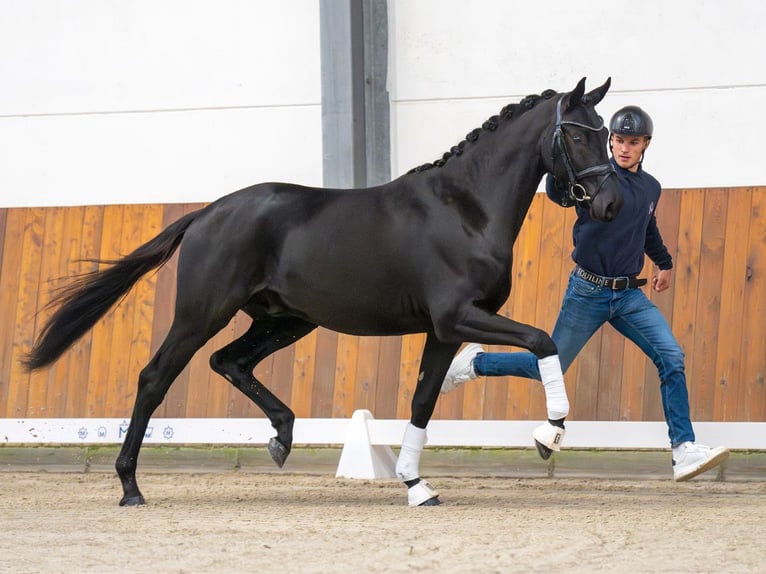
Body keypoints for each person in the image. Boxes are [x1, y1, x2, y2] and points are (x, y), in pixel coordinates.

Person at [441, 105, 729, 481]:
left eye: (633, 142)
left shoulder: (650, 187)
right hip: (588, 291)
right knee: (547, 367)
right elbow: (561, 192)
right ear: (610, 140)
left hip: (628, 297)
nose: (625, 148)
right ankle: (475, 365)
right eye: (619, 140)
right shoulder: (596, 177)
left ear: (646, 145)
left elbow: (647, 228)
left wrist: (665, 263)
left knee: (671, 357)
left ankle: (683, 450)